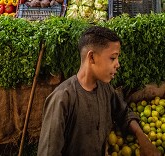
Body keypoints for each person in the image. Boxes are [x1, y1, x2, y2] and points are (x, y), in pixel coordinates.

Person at [37, 26, 160, 156]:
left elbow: (123, 113)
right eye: (113, 58)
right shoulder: (62, 98)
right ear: (92, 58)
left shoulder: (105, 89)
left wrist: (142, 137)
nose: (117, 64)